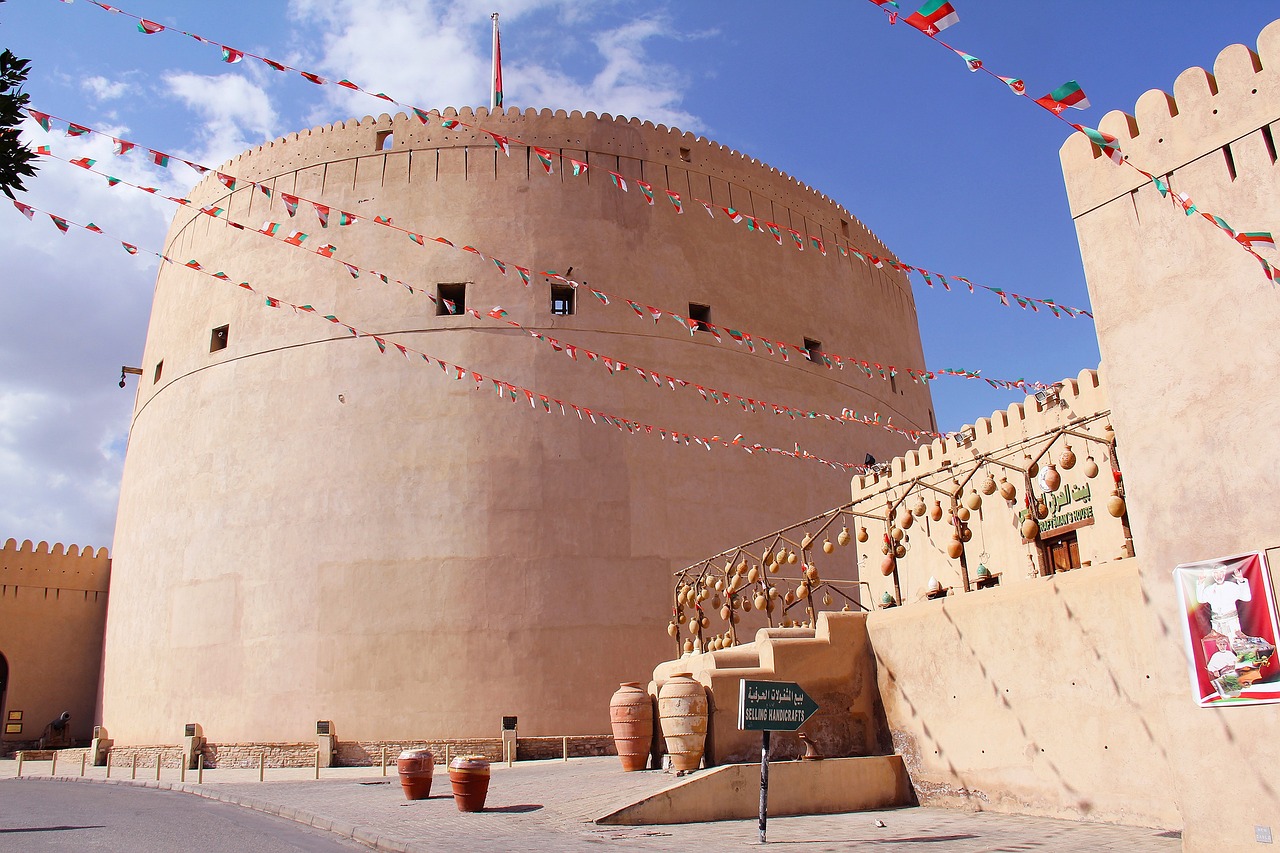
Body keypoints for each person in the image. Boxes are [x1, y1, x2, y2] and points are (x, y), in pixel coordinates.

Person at [1196, 563, 1252, 642]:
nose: (1219, 576)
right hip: (1217, 624)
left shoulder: (1232, 586)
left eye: (1221, 572)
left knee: (1235, 644)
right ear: (1213, 574)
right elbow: (1200, 599)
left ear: (1224, 573)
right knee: (1221, 646)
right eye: (1216, 573)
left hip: (1232, 624)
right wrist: (1200, 582)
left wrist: (1241, 580)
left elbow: (1247, 597)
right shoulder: (1209, 589)